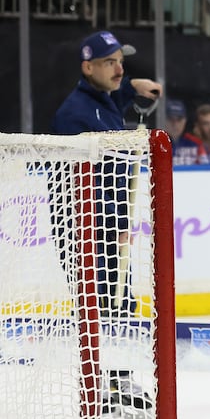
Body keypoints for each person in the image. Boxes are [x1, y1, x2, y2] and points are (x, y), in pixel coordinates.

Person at [50, 30, 163, 413]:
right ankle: (99, 383)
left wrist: (133, 86)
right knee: (99, 306)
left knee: (118, 305)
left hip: (108, 228)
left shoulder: (101, 100)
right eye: (110, 63)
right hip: (84, 231)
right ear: (88, 67)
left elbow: (114, 95)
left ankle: (111, 378)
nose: (119, 69)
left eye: (121, 61)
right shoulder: (75, 115)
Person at [166, 98, 209, 165]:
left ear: (185, 121)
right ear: (164, 120)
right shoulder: (156, 144)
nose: (175, 124)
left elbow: (206, 169)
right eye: (171, 119)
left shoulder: (195, 143)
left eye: (179, 120)